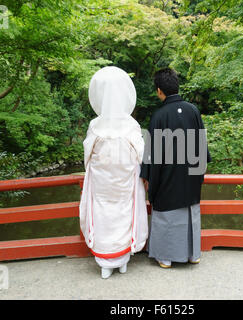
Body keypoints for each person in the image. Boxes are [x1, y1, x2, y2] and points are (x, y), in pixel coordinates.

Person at [79, 66, 148, 279]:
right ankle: (123, 260)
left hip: (101, 183)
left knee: (102, 215)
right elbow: (141, 154)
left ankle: (105, 264)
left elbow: (87, 155)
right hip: (125, 181)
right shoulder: (132, 125)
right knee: (125, 212)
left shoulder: (94, 125)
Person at [140, 68, 211, 268]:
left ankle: (166, 257)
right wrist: (199, 174)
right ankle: (192, 254)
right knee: (190, 213)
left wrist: (147, 175)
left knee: (167, 212)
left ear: (159, 91)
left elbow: (151, 153)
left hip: (167, 178)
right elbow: (201, 147)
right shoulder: (193, 110)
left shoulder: (159, 116)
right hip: (190, 177)